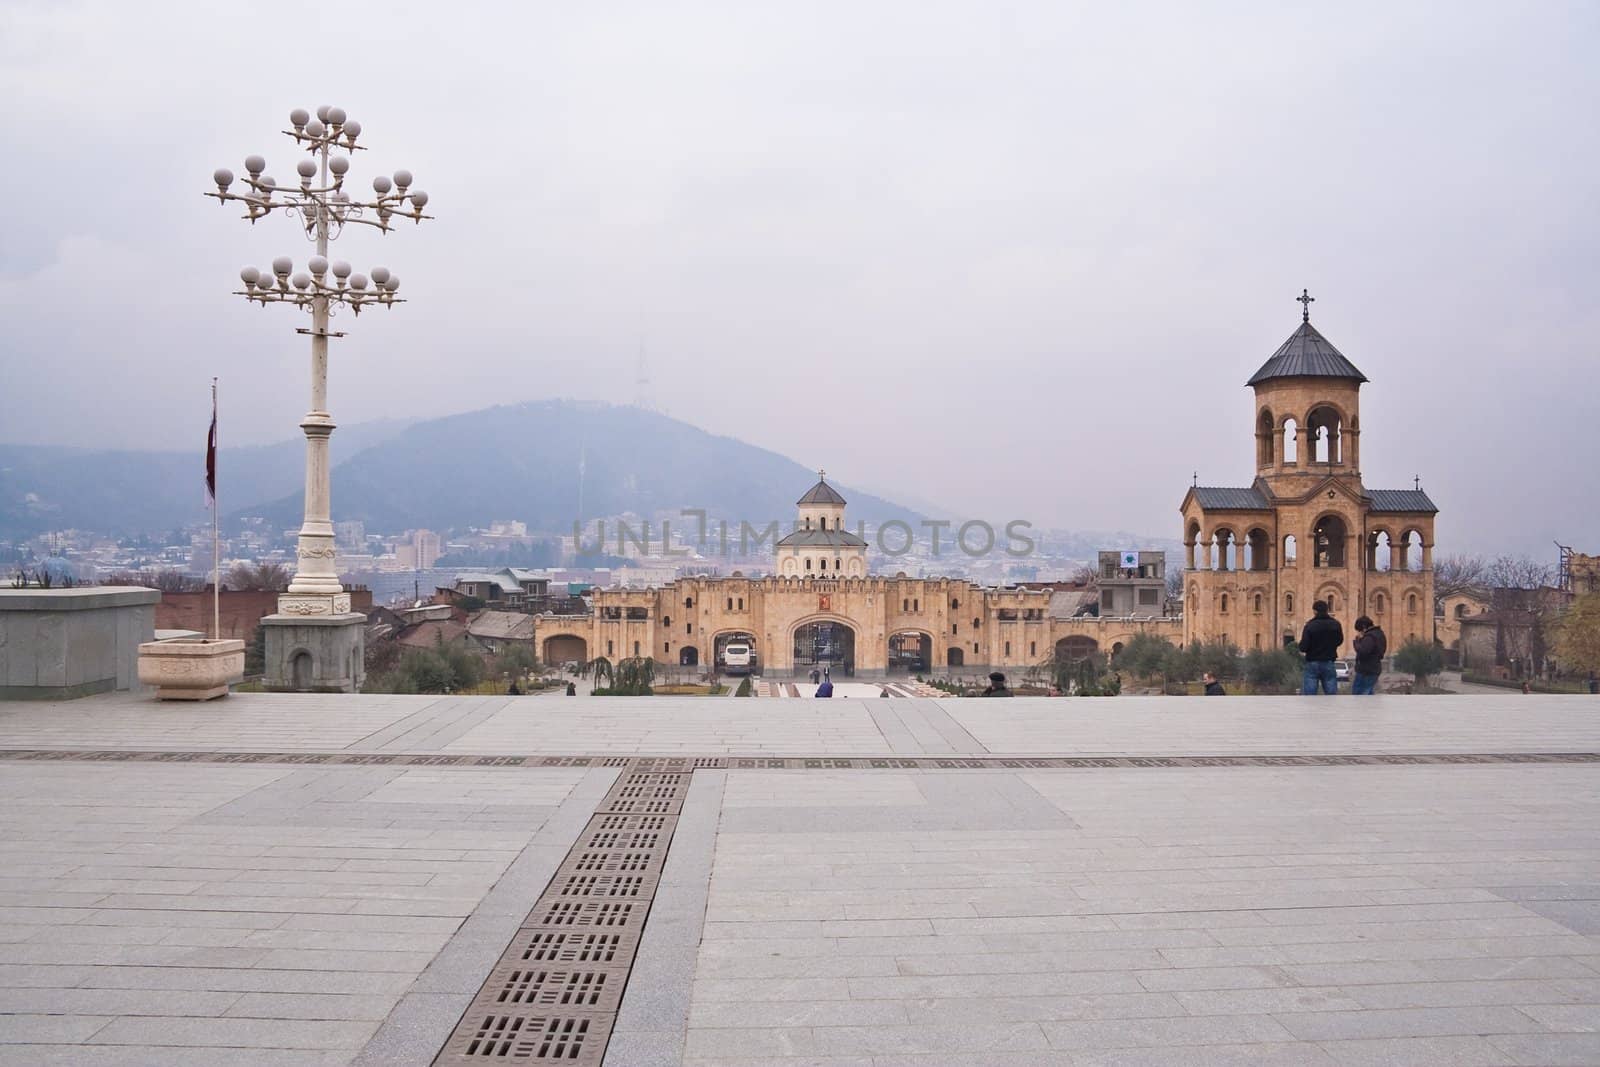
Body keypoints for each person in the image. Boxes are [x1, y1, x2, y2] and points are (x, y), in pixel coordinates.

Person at [1298, 599, 1345, 694]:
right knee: (1331, 696)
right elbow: (1339, 641)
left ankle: (1311, 709)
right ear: (1327, 610)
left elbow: (1303, 646)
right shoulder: (1335, 624)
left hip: (1312, 662)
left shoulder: (1310, 626)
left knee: (1310, 696)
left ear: (1315, 611)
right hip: (1328, 661)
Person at [1350, 615, 1386, 696]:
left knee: (1359, 694)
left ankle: (1362, 709)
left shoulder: (1370, 637)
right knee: (1368, 692)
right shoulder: (1379, 634)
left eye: (1359, 630)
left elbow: (1363, 651)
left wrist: (1357, 641)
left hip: (1366, 670)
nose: (1359, 632)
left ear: (1363, 627)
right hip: (1374, 668)